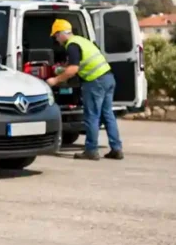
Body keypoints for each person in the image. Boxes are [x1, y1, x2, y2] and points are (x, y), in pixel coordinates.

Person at [45, 18, 124, 161]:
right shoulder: (82, 40)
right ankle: (116, 149)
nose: (56, 40)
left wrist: (55, 80)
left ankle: (91, 151)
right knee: (108, 115)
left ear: (61, 33)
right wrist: (64, 68)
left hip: (95, 82)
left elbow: (74, 69)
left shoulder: (71, 45)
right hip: (108, 78)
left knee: (92, 116)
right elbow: (81, 62)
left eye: (56, 36)